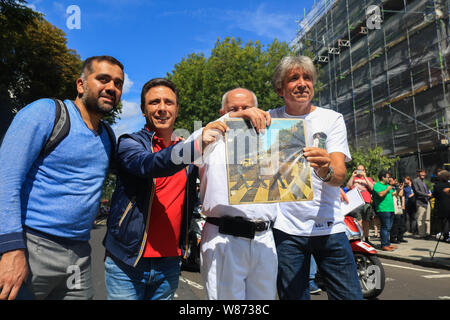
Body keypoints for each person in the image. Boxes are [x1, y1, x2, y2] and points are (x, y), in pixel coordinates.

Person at [0, 55, 124, 300]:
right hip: (31, 247)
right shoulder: (46, 113)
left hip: (79, 255)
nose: (111, 87)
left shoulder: (108, 136)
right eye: (103, 79)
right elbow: (6, 181)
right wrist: (11, 248)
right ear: (81, 85)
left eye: (118, 83)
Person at [268, 55, 363, 300]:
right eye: (293, 79)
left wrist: (325, 171)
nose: (302, 83)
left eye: (307, 78)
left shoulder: (331, 118)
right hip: (286, 230)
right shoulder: (268, 120)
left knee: (350, 296)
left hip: (330, 227)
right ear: (280, 88)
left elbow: (340, 174)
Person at [196, 88, 278, 300]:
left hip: (264, 240)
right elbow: (187, 150)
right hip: (225, 240)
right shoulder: (209, 138)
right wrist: (235, 118)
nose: (243, 113)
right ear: (223, 111)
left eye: (247, 108)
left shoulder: (271, 141)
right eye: (234, 109)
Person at [346, 165, 375, 245]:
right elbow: (348, 186)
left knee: (366, 222)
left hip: (366, 202)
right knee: (358, 221)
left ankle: (366, 239)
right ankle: (359, 239)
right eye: (358, 170)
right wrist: (352, 176)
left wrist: (365, 177)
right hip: (355, 203)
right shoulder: (354, 178)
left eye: (361, 170)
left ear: (364, 171)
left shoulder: (368, 179)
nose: (360, 172)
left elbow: (372, 188)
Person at [372, 170, 398, 251]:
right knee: (385, 227)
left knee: (388, 227)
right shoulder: (377, 185)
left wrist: (399, 189)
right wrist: (387, 189)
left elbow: (394, 194)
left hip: (390, 209)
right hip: (383, 209)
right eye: (387, 177)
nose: (389, 178)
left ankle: (388, 244)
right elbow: (380, 194)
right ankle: (384, 245)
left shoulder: (387, 185)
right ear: (383, 177)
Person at [412, 168, 433, 239]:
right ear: (418, 173)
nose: (423, 174)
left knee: (427, 219)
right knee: (421, 219)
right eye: (421, 173)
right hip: (420, 202)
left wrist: (429, 195)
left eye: (424, 173)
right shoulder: (415, 181)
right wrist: (427, 195)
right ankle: (422, 234)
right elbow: (417, 191)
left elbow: (426, 190)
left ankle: (428, 233)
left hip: (427, 201)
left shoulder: (424, 181)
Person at [432, 170, 450, 242]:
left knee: (442, 221)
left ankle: (444, 235)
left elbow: (434, 195)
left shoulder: (437, 186)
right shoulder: (449, 185)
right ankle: (447, 235)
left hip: (441, 207)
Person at [389, 177, 407, 244]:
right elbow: (397, 194)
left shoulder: (396, 187)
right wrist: (400, 189)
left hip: (398, 206)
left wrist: (401, 188)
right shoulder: (389, 187)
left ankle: (400, 237)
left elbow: (401, 195)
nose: (396, 181)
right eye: (394, 180)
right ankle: (393, 238)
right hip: (393, 206)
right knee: (395, 223)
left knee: (400, 223)